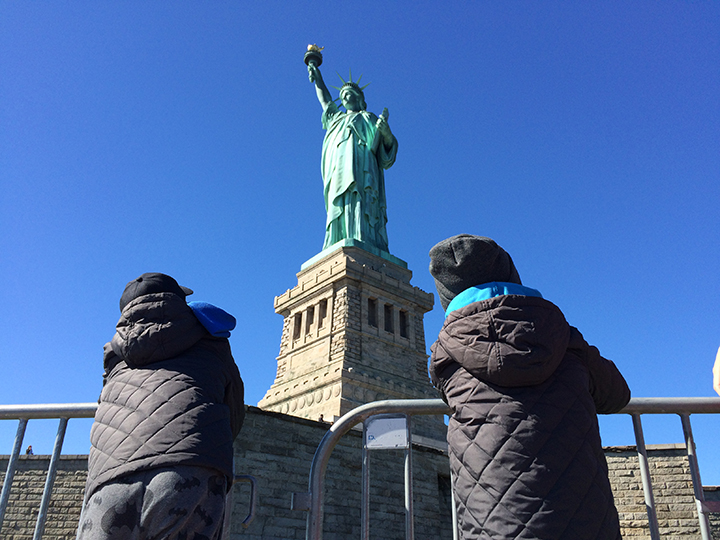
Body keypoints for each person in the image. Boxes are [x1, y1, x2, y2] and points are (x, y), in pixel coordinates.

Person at [428, 235, 631, 540]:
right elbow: (617, 394)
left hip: (494, 527)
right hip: (586, 523)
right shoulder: (563, 335)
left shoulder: (446, 355)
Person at [76, 273, 244, 540]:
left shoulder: (114, 357)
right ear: (178, 302)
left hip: (110, 478)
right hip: (189, 470)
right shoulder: (212, 341)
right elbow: (234, 411)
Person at [308, 61, 398, 252]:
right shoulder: (337, 119)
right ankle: (338, 237)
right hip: (338, 170)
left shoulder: (369, 118)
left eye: (349, 93)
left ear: (359, 98)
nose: (345, 96)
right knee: (340, 201)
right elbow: (325, 101)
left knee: (361, 201)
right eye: (342, 95)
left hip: (364, 169)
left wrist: (387, 133)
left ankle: (364, 237)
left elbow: (386, 155)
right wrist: (318, 78)